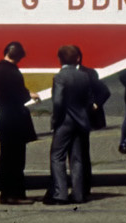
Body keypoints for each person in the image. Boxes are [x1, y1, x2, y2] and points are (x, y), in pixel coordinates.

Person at [47, 44, 110, 205]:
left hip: (65, 121)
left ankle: (60, 193)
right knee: (77, 159)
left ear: (60, 59)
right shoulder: (84, 76)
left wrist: (55, 120)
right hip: (81, 121)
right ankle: (78, 193)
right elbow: (89, 99)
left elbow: (58, 101)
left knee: (57, 156)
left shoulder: (60, 77)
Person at [0, 41, 39, 205]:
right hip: (15, 119)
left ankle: (8, 192)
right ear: (17, 57)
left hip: (3, 117)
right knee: (16, 159)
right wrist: (29, 94)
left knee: (6, 157)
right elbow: (19, 94)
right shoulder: (13, 73)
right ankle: (13, 194)